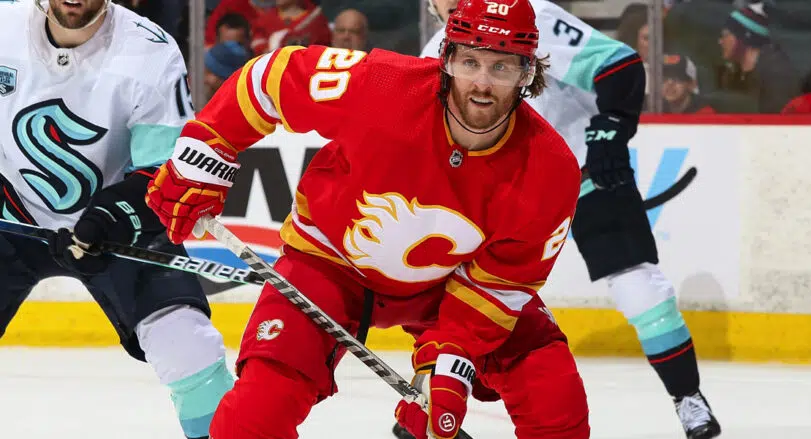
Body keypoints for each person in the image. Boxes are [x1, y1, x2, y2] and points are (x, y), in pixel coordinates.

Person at [145, 0, 590, 438]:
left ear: (528, 74)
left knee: (554, 393)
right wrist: (208, 149)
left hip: (447, 284)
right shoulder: (382, 86)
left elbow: (500, 284)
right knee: (253, 418)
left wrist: (448, 363)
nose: (482, 84)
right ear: (446, 59)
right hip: (328, 265)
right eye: (470, 61)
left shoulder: (549, 170)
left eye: (502, 67)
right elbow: (272, 77)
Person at [420, 0, 721, 437]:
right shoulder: (433, 54)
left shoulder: (528, 17)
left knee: (638, 287)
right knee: (456, 295)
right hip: (500, 195)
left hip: (581, 169)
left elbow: (618, 67)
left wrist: (609, 135)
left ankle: (687, 397)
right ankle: (431, 394)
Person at [0, 0, 234, 438]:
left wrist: (107, 218)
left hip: (114, 226)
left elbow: (162, 172)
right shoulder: (2, 26)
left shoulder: (151, 50)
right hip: (10, 219)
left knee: (189, 348)